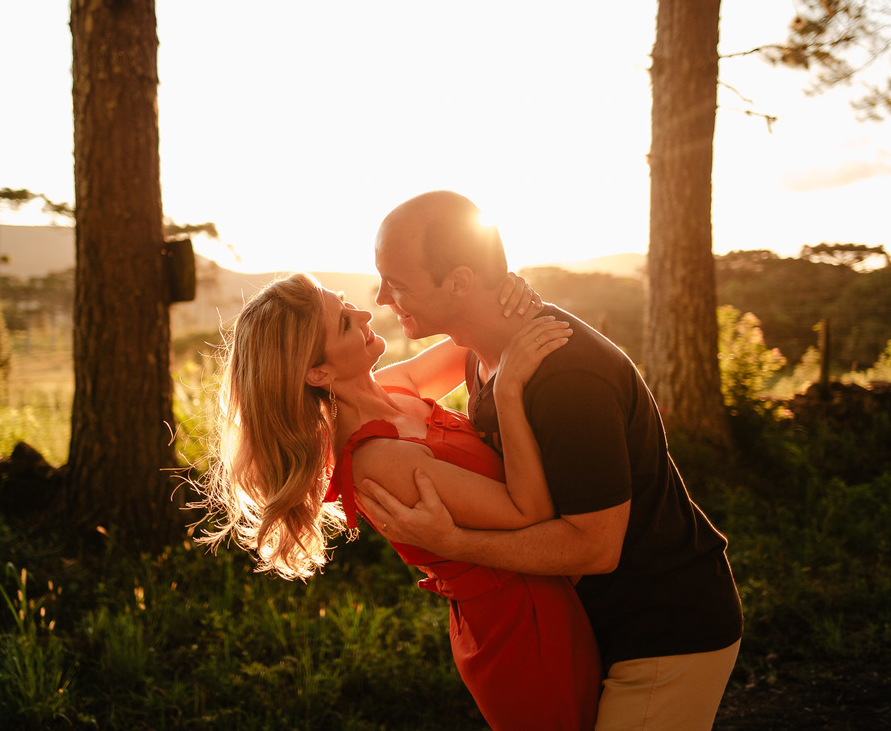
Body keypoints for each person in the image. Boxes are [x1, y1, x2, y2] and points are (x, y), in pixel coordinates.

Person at [359, 190, 744, 731]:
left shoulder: (567, 380)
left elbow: (596, 547)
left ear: (460, 282)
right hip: (593, 626)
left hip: (663, 627)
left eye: (396, 283)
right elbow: (372, 394)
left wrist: (456, 543)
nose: (381, 298)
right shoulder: (478, 346)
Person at [195, 271, 602, 730]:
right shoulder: (376, 460)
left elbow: (479, 337)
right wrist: (507, 392)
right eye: (345, 322)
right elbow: (528, 512)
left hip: (553, 596)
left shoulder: (392, 388)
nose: (365, 314)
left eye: (346, 302)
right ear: (318, 372)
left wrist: (505, 291)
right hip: (523, 636)